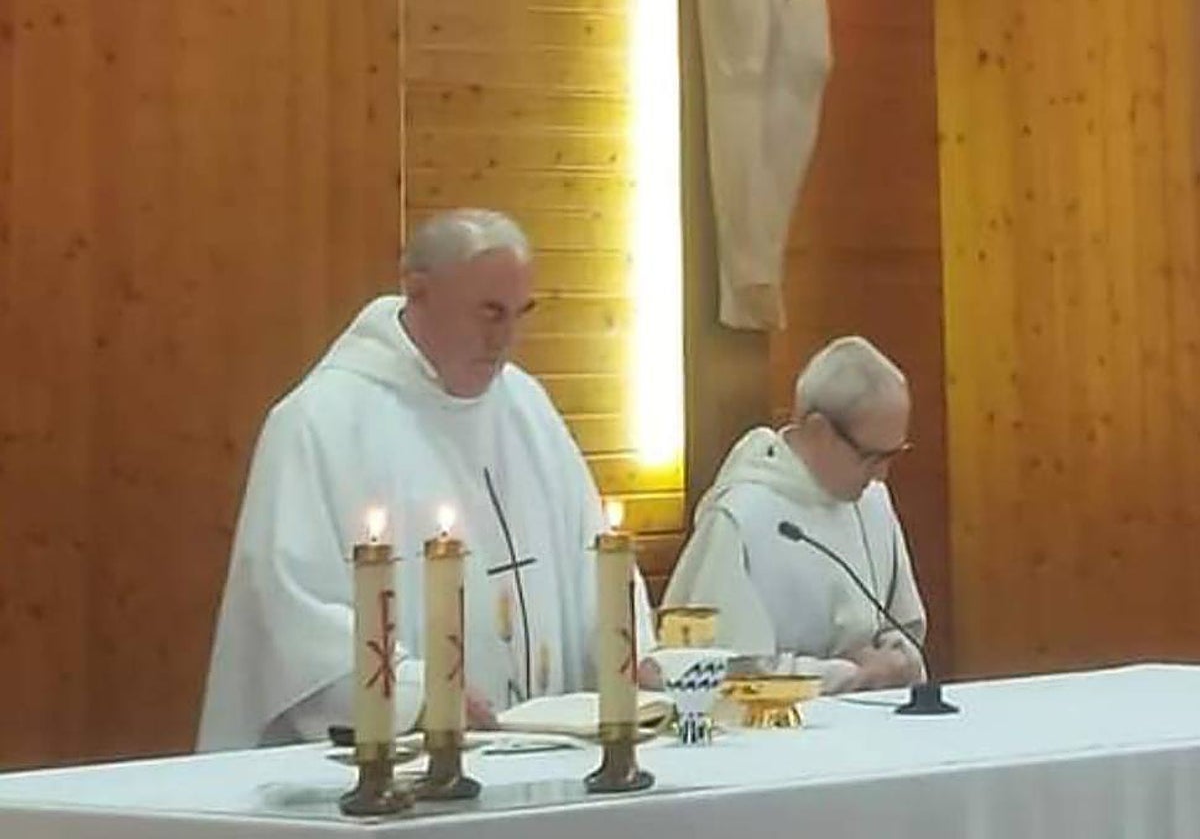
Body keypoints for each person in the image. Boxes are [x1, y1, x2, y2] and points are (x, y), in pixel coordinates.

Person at [197, 208, 656, 751]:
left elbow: (592, 562)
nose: (505, 338)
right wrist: (419, 696)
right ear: (418, 292)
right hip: (395, 766)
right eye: (488, 313)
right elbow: (290, 610)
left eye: (518, 314)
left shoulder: (526, 408)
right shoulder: (321, 421)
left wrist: (631, 655)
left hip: (543, 754)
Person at [662, 336, 926, 694]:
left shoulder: (873, 501)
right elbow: (723, 673)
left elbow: (903, 627)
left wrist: (896, 659)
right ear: (819, 430)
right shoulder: (743, 516)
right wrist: (850, 675)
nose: (882, 475)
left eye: (893, 455)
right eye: (871, 457)